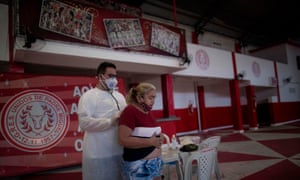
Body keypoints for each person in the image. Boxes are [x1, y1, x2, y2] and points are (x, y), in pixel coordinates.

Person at [77, 62, 127, 180]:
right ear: (100, 77)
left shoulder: (119, 96)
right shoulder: (88, 96)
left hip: (119, 150)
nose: (114, 79)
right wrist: (110, 121)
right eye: (110, 76)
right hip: (98, 153)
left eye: (115, 76)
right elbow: (84, 122)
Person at [118, 82, 163, 180]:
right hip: (139, 166)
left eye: (154, 98)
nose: (153, 101)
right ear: (139, 98)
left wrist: (160, 138)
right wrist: (150, 142)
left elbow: (153, 132)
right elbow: (123, 140)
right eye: (150, 98)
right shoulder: (130, 111)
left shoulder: (148, 112)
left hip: (155, 162)